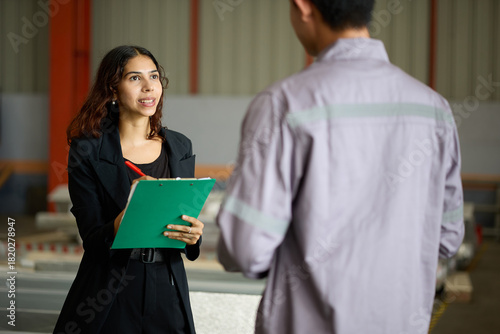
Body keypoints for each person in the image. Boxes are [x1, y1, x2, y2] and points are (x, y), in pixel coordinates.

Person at [216, 1, 464, 333]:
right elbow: (448, 237)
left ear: (303, 6)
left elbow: (245, 250)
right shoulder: (434, 109)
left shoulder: (285, 103)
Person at [54, 45, 202, 333]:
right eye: (135, 78)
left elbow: (180, 223)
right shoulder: (88, 150)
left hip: (168, 286)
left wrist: (193, 236)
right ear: (112, 88)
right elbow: (93, 238)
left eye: (154, 77)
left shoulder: (179, 146)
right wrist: (134, 209)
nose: (149, 87)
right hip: (109, 291)